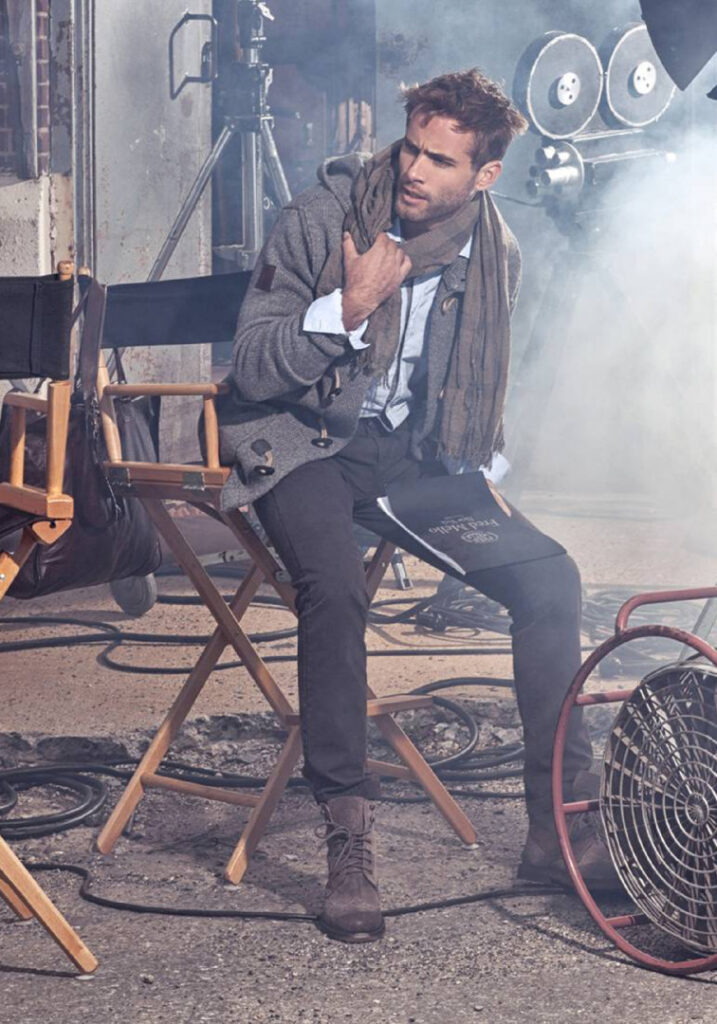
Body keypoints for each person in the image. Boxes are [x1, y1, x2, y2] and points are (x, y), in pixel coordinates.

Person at [220, 68, 617, 944]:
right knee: (335, 589)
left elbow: (483, 387)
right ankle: (347, 838)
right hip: (304, 443)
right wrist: (349, 305)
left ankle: (557, 828)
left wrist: (481, 474)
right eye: (410, 149)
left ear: (484, 175)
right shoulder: (322, 218)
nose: (413, 170)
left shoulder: (496, 254)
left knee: (550, 583)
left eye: (440, 160)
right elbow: (249, 366)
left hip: (413, 459)